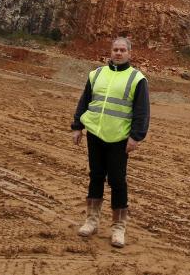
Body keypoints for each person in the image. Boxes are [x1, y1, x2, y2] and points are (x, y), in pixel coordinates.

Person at [71, 37, 150, 248]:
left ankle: (118, 228)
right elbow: (85, 100)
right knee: (95, 176)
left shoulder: (137, 78)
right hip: (95, 133)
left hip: (119, 138)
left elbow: (142, 112)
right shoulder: (96, 74)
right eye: (115, 49)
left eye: (122, 50)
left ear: (129, 53)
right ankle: (91, 221)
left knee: (117, 180)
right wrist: (77, 126)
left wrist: (136, 136)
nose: (118, 53)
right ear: (110, 51)